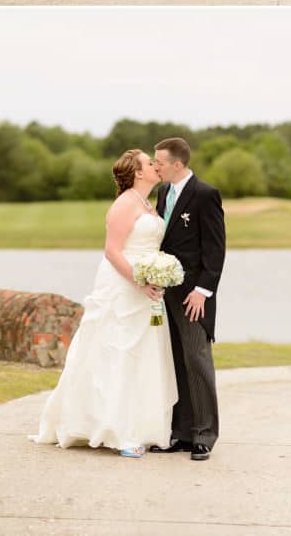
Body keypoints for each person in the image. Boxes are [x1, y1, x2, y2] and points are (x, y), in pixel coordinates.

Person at [31, 150, 178, 457]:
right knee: (117, 351)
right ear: (138, 172)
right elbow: (113, 251)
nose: (155, 165)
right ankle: (117, 431)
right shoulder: (125, 204)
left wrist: (157, 272)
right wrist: (141, 280)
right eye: (149, 162)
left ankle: (140, 426)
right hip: (123, 287)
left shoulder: (146, 203)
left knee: (142, 354)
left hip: (146, 288)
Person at [149, 137, 226, 461]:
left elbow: (215, 248)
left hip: (194, 296)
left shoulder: (205, 195)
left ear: (177, 164)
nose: (156, 166)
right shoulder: (164, 192)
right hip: (166, 292)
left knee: (197, 361)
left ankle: (204, 435)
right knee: (176, 361)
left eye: (160, 162)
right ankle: (181, 433)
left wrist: (203, 292)